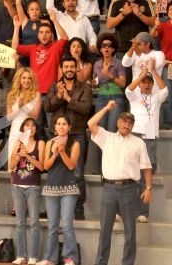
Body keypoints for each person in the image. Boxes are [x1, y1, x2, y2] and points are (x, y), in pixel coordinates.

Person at [88, 101, 152, 265]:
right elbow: (90, 123)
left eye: (130, 122)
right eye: (124, 120)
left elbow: (146, 168)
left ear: (132, 126)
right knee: (105, 231)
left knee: (130, 232)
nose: (127, 124)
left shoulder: (139, 143)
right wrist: (106, 108)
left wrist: (149, 188)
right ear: (117, 123)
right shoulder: (107, 138)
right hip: (109, 188)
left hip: (130, 189)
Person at [44, 56, 93, 220]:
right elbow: (47, 107)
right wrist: (58, 96)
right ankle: (53, 209)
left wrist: (68, 99)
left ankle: (78, 209)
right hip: (56, 135)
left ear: (77, 68)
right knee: (53, 172)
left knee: (77, 173)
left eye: (72, 66)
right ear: (61, 69)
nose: (69, 69)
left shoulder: (85, 87)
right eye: (66, 67)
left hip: (77, 134)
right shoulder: (54, 86)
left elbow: (86, 109)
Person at [125, 66, 168, 223]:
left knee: (145, 176)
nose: (146, 84)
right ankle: (123, 211)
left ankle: (143, 212)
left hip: (150, 136)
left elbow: (165, 90)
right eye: (144, 82)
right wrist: (141, 75)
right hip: (135, 135)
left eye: (149, 82)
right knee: (129, 173)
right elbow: (128, 90)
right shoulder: (135, 96)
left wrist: (154, 73)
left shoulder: (156, 96)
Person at [37, 115, 80, 265]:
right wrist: (55, 152)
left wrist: (62, 151)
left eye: (64, 124)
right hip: (51, 187)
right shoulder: (49, 144)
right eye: (58, 124)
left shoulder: (75, 143)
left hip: (68, 187)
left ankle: (70, 258)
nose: (61, 126)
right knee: (52, 226)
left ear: (69, 127)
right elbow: (45, 166)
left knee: (67, 225)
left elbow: (71, 166)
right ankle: (50, 258)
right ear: (54, 127)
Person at [9, 118, 45, 265]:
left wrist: (28, 156)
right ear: (23, 128)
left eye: (33, 125)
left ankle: (33, 256)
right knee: (20, 222)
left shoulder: (40, 143)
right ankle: (21, 255)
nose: (30, 127)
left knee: (34, 222)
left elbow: (42, 167)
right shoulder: (18, 143)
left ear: (36, 129)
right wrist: (19, 155)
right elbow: (11, 166)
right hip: (17, 185)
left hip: (33, 186)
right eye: (27, 125)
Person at [6, 68, 41, 170]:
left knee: (26, 162)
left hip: (29, 131)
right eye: (24, 78)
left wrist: (23, 107)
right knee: (12, 162)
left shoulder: (36, 94)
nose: (26, 80)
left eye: (29, 78)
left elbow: (35, 115)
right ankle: (13, 185)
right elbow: (9, 117)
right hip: (15, 129)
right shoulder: (12, 94)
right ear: (19, 79)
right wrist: (19, 108)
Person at [93, 33, 126, 133]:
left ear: (113, 49)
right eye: (103, 46)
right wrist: (101, 76)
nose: (106, 48)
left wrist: (110, 75)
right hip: (101, 98)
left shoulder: (118, 63)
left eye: (109, 46)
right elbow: (94, 83)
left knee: (112, 130)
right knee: (100, 131)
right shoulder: (97, 64)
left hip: (116, 97)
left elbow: (123, 83)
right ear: (100, 49)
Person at [150, 3, 172, 129]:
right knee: (168, 95)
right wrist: (156, 25)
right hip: (167, 66)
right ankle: (169, 124)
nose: (171, 11)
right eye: (170, 9)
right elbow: (153, 36)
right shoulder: (164, 25)